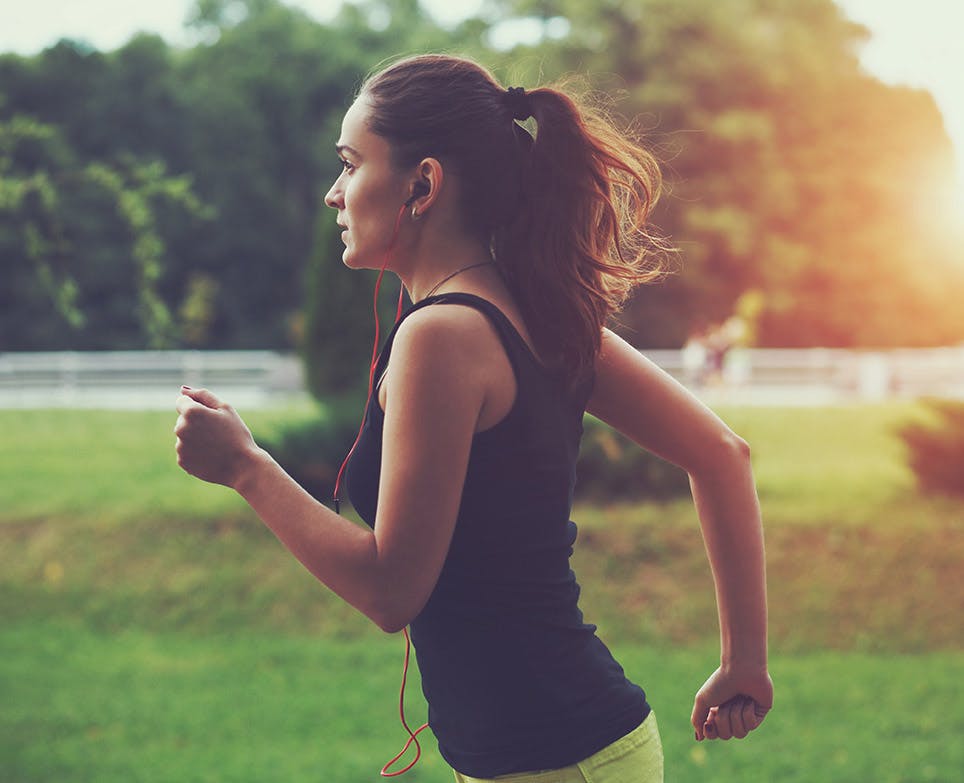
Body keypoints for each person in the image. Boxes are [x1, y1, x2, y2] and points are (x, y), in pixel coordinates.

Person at [174, 53, 772, 782]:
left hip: (555, 761)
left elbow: (391, 589)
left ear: (423, 184)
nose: (334, 193)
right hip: (568, 750)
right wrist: (744, 663)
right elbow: (721, 453)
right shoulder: (541, 309)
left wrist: (245, 466)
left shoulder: (442, 337)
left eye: (351, 164)